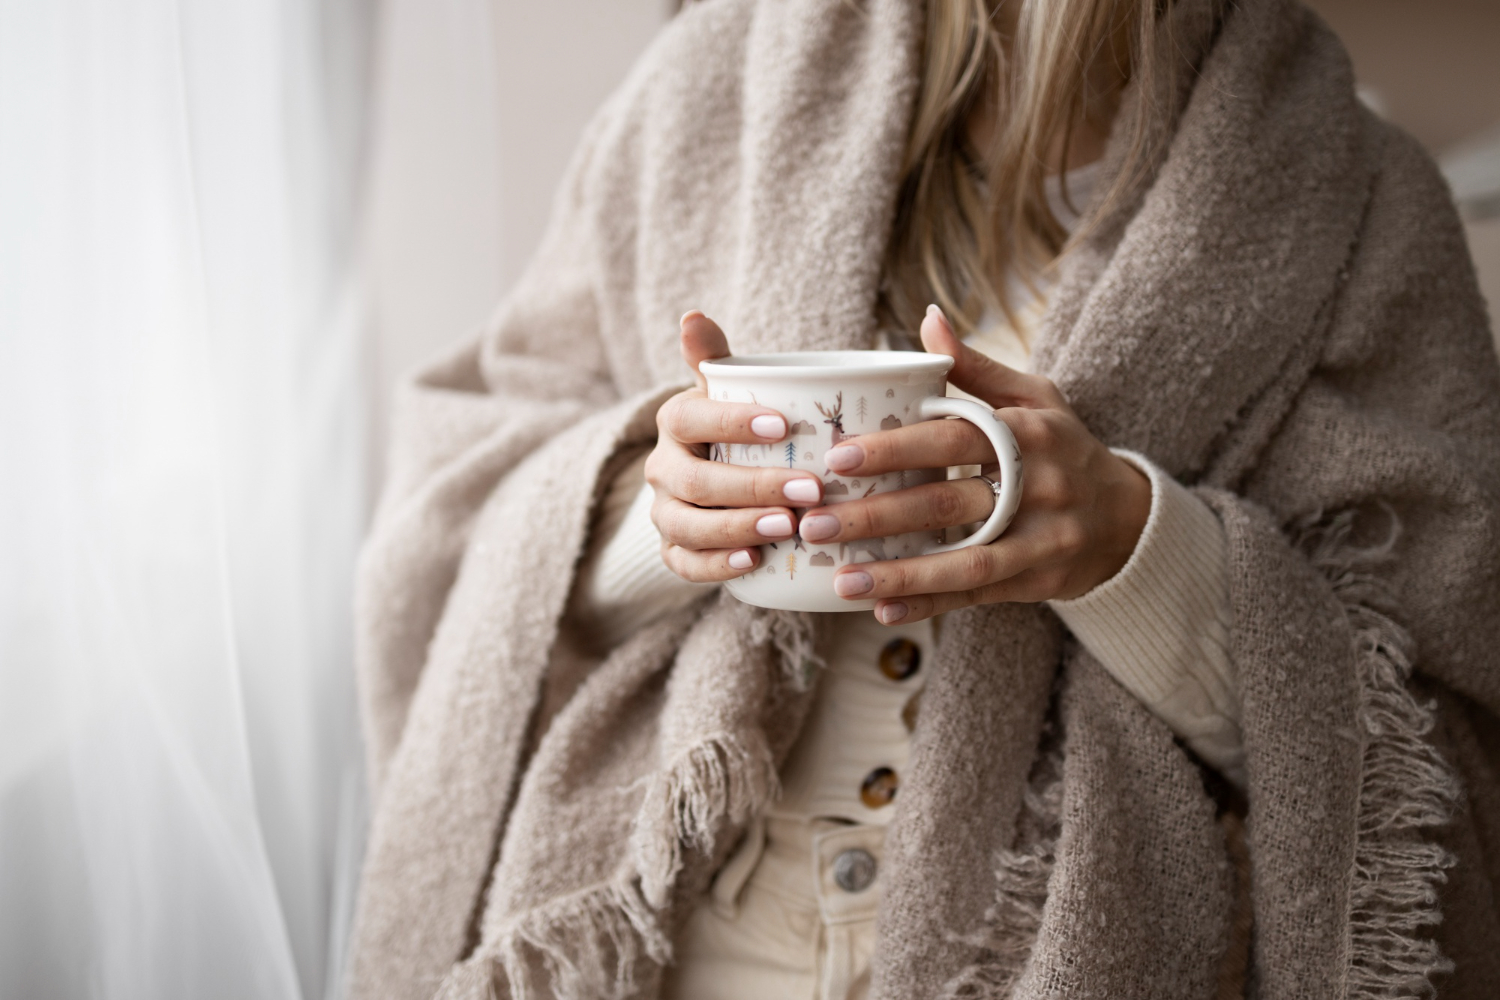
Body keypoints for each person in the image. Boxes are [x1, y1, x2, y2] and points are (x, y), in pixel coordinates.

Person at [346, 1, 1500, 998]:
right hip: (677, 933)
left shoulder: (1358, 200)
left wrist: (1139, 551)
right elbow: (450, 523)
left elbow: (1445, 743)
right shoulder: (710, 87)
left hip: (1066, 948)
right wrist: (657, 514)